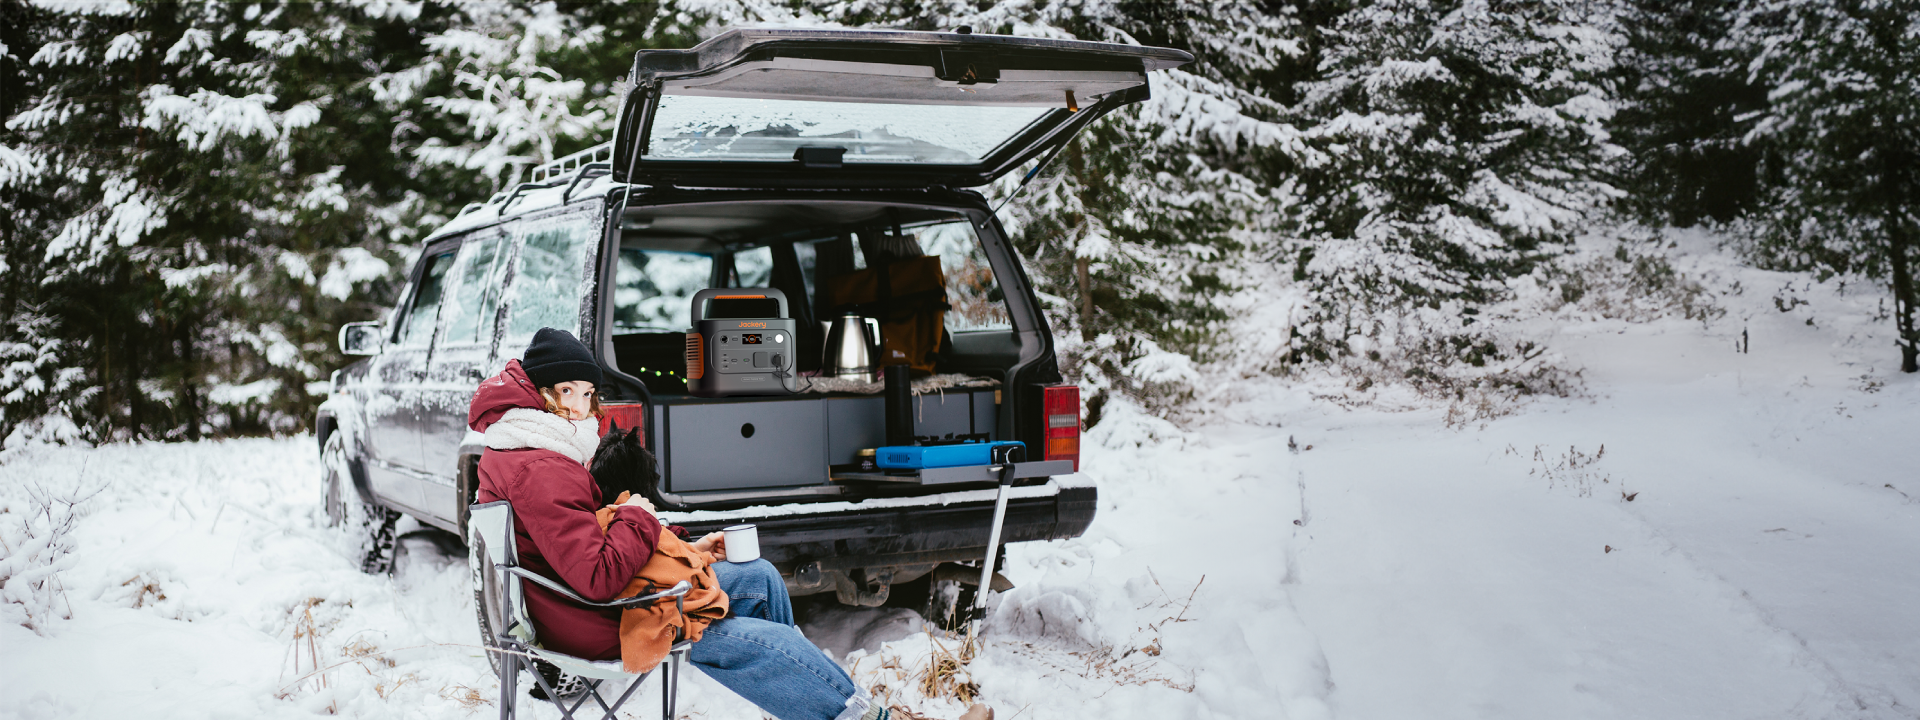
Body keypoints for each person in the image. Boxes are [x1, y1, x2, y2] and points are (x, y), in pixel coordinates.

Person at [470, 327, 905, 720]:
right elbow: (597, 578)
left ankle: (802, 705)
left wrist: (687, 551)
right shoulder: (540, 468)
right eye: (567, 391)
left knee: (758, 577)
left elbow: (588, 541)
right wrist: (637, 517)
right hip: (602, 620)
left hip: (590, 604)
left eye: (587, 394)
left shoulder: (530, 450)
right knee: (760, 642)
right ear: (539, 393)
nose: (579, 408)